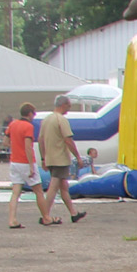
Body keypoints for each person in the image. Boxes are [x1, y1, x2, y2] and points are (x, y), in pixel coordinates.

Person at [38, 94, 85, 225]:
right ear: (63, 105)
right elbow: (68, 140)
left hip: (50, 158)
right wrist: (78, 157)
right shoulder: (61, 120)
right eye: (68, 106)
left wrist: (43, 157)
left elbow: (40, 140)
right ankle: (45, 215)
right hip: (60, 159)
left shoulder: (46, 120)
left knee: (63, 187)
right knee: (53, 187)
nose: (68, 109)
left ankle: (73, 213)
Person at [5, 104, 40, 228]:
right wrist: (31, 166)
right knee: (38, 191)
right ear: (30, 113)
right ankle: (46, 217)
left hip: (14, 161)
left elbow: (5, 141)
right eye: (34, 113)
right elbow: (28, 147)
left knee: (15, 193)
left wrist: (14, 147)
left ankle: (12, 219)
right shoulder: (28, 126)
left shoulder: (12, 124)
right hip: (25, 161)